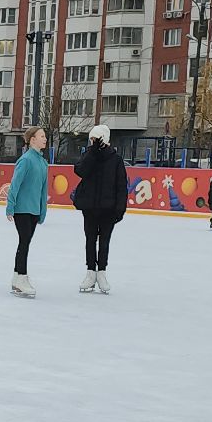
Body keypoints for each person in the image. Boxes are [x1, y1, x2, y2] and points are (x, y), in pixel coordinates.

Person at [71, 124, 127, 295]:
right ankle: (90, 272)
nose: (93, 142)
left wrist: (120, 209)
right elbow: (80, 171)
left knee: (104, 242)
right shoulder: (88, 155)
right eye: (92, 139)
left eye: (96, 139)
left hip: (108, 209)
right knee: (90, 240)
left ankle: (101, 272)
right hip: (89, 207)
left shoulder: (116, 160)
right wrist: (93, 153)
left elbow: (121, 186)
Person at [5, 126, 49, 298]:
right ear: (32, 140)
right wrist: (10, 206)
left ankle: (17, 277)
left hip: (34, 210)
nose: (45, 139)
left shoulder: (43, 163)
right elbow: (15, 184)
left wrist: (42, 210)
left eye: (45, 136)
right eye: (42, 136)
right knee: (24, 243)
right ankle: (21, 276)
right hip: (22, 209)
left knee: (26, 243)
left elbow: (43, 190)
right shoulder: (26, 160)